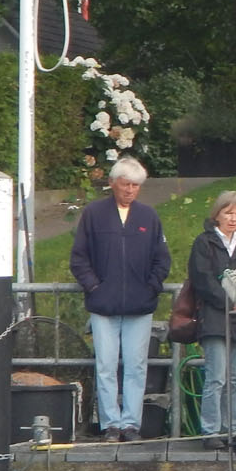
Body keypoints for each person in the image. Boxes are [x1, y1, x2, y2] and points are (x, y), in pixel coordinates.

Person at [69, 157, 170, 441]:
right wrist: (94, 287)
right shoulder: (94, 214)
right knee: (106, 365)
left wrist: (151, 286)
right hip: (103, 305)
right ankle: (110, 424)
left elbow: (162, 259)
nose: (130, 190)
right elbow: (79, 258)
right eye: (126, 184)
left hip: (139, 306)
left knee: (136, 366)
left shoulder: (149, 217)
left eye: (136, 185)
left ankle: (131, 424)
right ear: (113, 183)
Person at [189, 191, 236, 445]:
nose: (233, 218)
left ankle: (233, 430)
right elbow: (202, 279)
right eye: (228, 212)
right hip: (215, 317)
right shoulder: (204, 243)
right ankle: (211, 431)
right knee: (216, 377)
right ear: (217, 214)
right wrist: (229, 301)